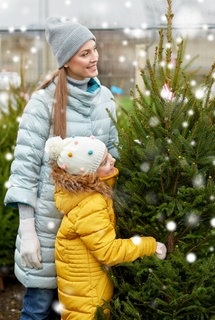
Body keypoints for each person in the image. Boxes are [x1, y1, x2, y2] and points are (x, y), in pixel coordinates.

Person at [4, 17, 119, 320]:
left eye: (94, 49)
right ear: (66, 61)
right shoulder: (42, 104)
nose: (94, 58)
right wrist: (28, 230)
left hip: (89, 228)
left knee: (75, 309)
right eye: (84, 53)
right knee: (39, 308)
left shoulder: (105, 98)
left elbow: (115, 156)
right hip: (47, 226)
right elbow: (25, 169)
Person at [45, 135, 167, 319]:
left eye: (108, 155)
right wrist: (150, 245)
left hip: (83, 294)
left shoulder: (83, 195)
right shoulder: (91, 204)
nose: (113, 160)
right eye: (104, 161)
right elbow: (108, 252)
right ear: (90, 175)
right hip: (89, 302)